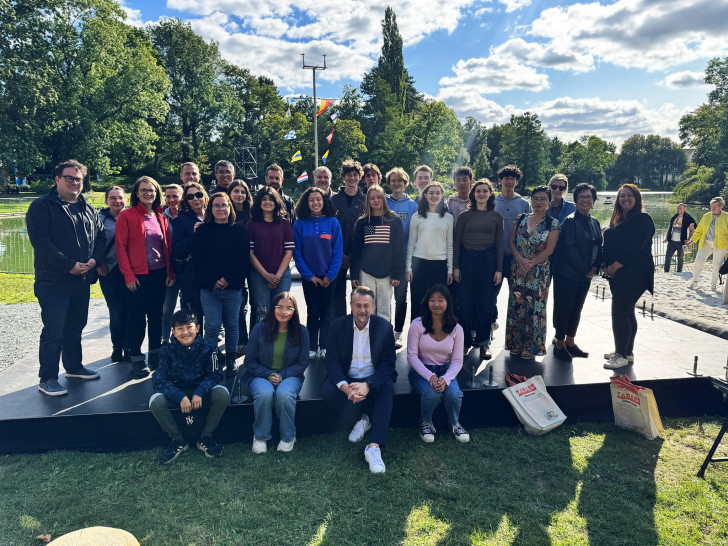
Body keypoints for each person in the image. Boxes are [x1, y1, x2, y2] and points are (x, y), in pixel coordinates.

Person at [26, 159, 106, 396]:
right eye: (69, 178)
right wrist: (68, 265)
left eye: (78, 179)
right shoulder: (41, 207)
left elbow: (100, 238)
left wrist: (94, 261)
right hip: (53, 281)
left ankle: (73, 367)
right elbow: (41, 243)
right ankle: (47, 377)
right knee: (54, 331)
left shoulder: (88, 208)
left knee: (75, 327)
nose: (74, 183)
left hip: (81, 280)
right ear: (57, 180)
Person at [323, 286, 397, 474]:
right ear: (351, 306)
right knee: (329, 392)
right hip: (348, 376)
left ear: (372, 306)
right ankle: (362, 419)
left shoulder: (384, 327)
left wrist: (368, 385)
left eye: (366, 306)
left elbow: (389, 364)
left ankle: (374, 447)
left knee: (386, 386)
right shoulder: (338, 326)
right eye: (358, 305)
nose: (362, 310)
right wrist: (346, 388)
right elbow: (331, 361)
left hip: (372, 377)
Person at [149, 309, 230, 465]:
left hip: (201, 393)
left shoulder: (208, 346)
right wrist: (179, 396)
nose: (185, 332)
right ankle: (178, 440)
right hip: (178, 394)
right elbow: (158, 379)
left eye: (189, 327)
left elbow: (216, 374)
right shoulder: (166, 350)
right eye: (180, 328)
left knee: (222, 394)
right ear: (173, 331)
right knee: (155, 401)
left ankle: (206, 437)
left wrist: (200, 391)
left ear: (197, 328)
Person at [116, 176, 175, 376]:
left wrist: (170, 272)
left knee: (156, 316)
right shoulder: (127, 216)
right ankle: (137, 358)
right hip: (137, 276)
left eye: (151, 190)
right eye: (143, 190)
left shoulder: (161, 216)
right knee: (137, 318)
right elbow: (121, 247)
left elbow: (167, 247)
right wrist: (129, 275)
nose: (148, 193)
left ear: (157, 193)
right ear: (136, 193)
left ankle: (155, 355)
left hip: (159, 274)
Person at [193, 192, 250, 377]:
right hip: (209, 288)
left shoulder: (239, 230)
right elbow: (198, 259)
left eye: (224, 205)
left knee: (232, 324)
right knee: (212, 326)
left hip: (233, 287)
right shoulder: (202, 230)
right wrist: (213, 281)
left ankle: (232, 358)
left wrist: (227, 279)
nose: (220, 209)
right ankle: (213, 361)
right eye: (216, 206)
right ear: (210, 209)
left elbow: (243, 260)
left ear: (229, 207)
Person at [244, 292, 309, 453]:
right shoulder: (259, 329)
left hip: (290, 375)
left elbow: (302, 362)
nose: (284, 312)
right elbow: (249, 361)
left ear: (294, 311)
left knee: (284, 394)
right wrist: (267, 374)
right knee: (264, 393)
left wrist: (283, 375)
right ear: (273, 308)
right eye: (280, 307)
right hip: (261, 374)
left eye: (289, 308)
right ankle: (260, 436)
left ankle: (288, 436)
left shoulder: (302, 331)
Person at [407, 284, 469, 443]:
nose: (436, 304)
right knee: (431, 394)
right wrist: (430, 376)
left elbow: (457, 360)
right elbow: (412, 357)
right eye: (432, 300)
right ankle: (425, 421)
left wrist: (446, 379)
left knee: (454, 394)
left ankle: (454, 423)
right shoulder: (417, 325)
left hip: (445, 370)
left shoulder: (457, 328)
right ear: (427, 302)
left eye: (440, 300)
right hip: (421, 371)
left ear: (448, 303)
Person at [602, 184, 654, 369]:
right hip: (619, 274)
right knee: (627, 311)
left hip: (634, 273)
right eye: (622, 196)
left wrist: (614, 267)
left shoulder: (642, 219)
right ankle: (627, 351)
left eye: (629, 195)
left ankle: (620, 354)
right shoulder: (620, 219)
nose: (625, 199)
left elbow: (634, 248)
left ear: (637, 198)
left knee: (619, 312)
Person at [505, 186, 559, 360]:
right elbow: (511, 242)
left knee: (535, 309)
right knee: (517, 306)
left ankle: (531, 346)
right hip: (517, 269)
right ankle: (516, 343)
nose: (538, 202)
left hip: (538, 272)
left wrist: (529, 264)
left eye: (543, 199)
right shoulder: (521, 218)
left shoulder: (552, 224)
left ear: (549, 202)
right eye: (535, 198)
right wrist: (520, 260)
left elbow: (549, 250)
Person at [551, 183, 602, 361]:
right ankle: (559, 343)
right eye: (581, 197)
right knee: (564, 308)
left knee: (577, 308)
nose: (585, 201)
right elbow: (570, 249)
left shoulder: (594, 222)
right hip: (567, 273)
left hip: (585, 275)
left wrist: (595, 267)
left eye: (589, 197)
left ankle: (571, 342)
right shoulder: (571, 221)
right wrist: (587, 269)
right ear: (575, 201)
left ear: (594, 201)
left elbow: (599, 248)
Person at [453, 179, 503, 360]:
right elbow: (457, 242)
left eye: (485, 191)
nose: (481, 194)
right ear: (473, 194)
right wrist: (456, 267)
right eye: (478, 191)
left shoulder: (496, 216)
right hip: (467, 260)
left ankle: (483, 343)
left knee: (485, 303)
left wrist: (499, 269)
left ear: (490, 193)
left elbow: (499, 244)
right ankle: (465, 342)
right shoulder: (465, 216)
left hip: (488, 261)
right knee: (465, 303)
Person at [293, 187, 342, 359]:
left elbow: (337, 252)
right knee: (312, 312)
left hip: (329, 277)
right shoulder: (299, 223)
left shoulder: (333, 223)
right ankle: (312, 346)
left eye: (318, 199)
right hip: (310, 278)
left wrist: (330, 276)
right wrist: (309, 276)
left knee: (327, 312)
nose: (315, 202)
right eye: (311, 200)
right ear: (306, 203)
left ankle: (326, 346)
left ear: (324, 201)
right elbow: (297, 253)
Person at [350, 185, 405, 323]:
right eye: (372, 198)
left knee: (384, 309)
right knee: (367, 308)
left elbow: (398, 250)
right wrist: (354, 274)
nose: (376, 201)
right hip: (366, 272)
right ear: (367, 200)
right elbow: (356, 251)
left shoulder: (394, 220)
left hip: (386, 274)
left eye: (379, 197)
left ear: (384, 198)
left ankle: (384, 339)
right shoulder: (362, 222)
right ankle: (368, 340)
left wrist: (397, 274)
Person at [406, 182, 454, 321]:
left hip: (440, 264)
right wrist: (408, 267)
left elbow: (449, 244)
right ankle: (416, 336)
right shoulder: (417, 217)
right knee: (418, 301)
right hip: (419, 263)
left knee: (438, 302)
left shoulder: (448, 218)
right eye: (431, 193)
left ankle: (436, 336)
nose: (434, 196)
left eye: (438, 193)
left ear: (442, 195)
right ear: (425, 195)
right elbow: (411, 243)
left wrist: (450, 269)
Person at [247, 187, 295, 322]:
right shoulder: (252, 223)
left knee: (282, 312)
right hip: (259, 275)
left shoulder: (284, 223)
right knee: (263, 314)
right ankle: (263, 343)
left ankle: (280, 343)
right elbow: (250, 253)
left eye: (271, 199)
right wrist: (266, 275)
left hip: (282, 275)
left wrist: (277, 277)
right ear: (258, 202)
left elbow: (289, 252)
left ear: (277, 202)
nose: (267, 202)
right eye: (264, 199)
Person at [493, 165, 531, 330]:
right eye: (506, 178)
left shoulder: (524, 204)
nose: (509, 181)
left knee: (518, 295)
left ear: (516, 182)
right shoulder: (491, 201)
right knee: (491, 294)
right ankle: (491, 323)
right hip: (496, 257)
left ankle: (515, 331)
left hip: (517, 257)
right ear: (500, 180)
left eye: (512, 179)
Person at [385, 167, 418, 348]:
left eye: (400, 180)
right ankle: (385, 329)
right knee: (384, 297)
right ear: (389, 183)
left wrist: (410, 263)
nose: (396, 183)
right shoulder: (384, 203)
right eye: (393, 180)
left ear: (405, 183)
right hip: (384, 257)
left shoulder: (412, 206)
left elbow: (414, 235)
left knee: (401, 298)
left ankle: (397, 333)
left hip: (404, 258)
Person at [97, 186, 130, 362]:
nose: (117, 201)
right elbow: (92, 243)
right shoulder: (99, 219)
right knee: (116, 310)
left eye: (120, 197)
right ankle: (117, 346)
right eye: (112, 198)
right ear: (106, 201)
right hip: (109, 270)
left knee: (131, 309)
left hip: (130, 270)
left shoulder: (131, 216)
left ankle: (128, 345)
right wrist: (99, 264)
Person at [331, 160, 366, 317]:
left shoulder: (365, 200)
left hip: (360, 254)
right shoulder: (333, 200)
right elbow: (330, 230)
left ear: (360, 177)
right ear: (343, 177)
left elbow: (369, 228)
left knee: (358, 293)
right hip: (338, 253)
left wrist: (356, 255)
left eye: (355, 175)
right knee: (337, 294)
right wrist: (340, 254)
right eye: (348, 175)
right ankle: (341, 325)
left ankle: (357, 325)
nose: (352, 178)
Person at [171, 183, 208, 331]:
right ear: (186, 200)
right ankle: (195, 347)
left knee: (212, 314)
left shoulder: (214, 215)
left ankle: (210, 346)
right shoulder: (182, 220)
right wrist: (193, 234)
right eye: (190, 196)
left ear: (204, 195)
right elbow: (178, 249)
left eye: (198, 194)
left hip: (213, 273)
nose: (196, 199)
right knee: (196, 314)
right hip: (193, 275)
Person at [230, 179, 253, 354]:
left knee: (256, 303)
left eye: (242, 192)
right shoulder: (225, 213)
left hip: (253, 263)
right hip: (234, 264)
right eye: (236, 191)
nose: (239, 195)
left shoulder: (253, 214)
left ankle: (255, 338)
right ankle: (241, 339)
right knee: (238, 303)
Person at [687, 197, 728, 290]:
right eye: (711, 206)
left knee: (716, 265)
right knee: (698, 262)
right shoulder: (706, 216)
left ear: (721, 206)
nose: (712, 208)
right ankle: (694, 282)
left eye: (714, 206)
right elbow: (699, 230)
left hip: (721, 244)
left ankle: (713, 285)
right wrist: (692, 240)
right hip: (706, 243)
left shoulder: (726, 217)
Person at [161, 183, 184, 344]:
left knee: (188, 305)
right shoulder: (161, 216)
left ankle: (186, 338)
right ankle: (164, 339)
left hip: (187, 268)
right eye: (168, 196)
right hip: (168, 268)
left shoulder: (188, 216)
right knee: (167, 307)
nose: (171, 200)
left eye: (175, 196)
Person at [663, 203, 696, 273]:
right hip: (671, 241)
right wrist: (667, 238)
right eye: (678, 208)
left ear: (684, 209)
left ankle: (679, 272)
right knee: (667, 258)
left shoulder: (688, 219)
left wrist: (689, 239)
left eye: (681, 208)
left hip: (681, 242)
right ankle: (666, 272)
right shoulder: (674, 218)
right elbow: (670, 228)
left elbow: (692, 230)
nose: (679, 210)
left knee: (680, 259)